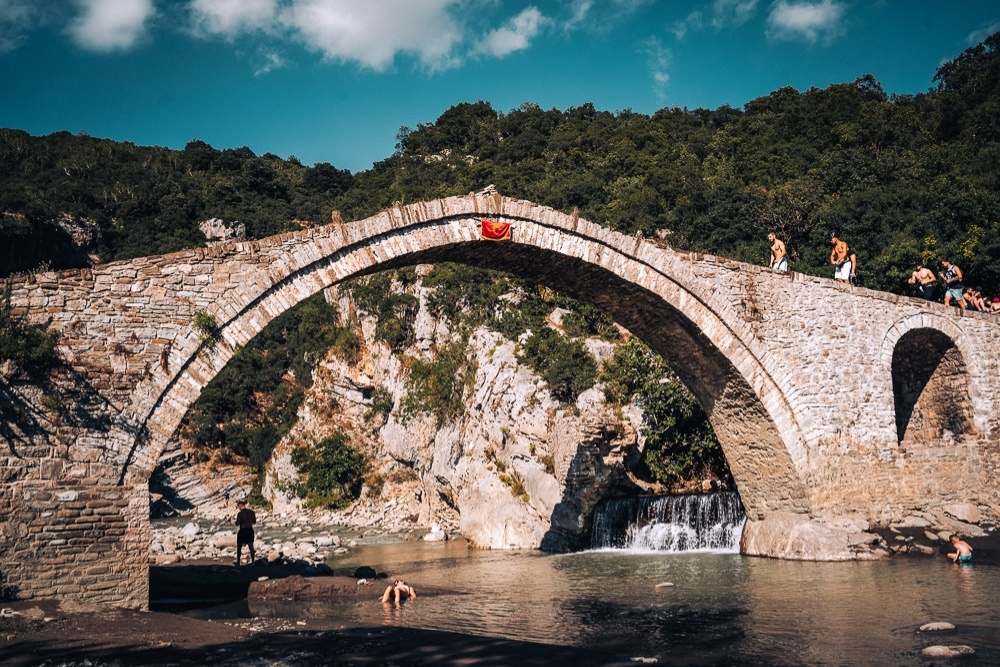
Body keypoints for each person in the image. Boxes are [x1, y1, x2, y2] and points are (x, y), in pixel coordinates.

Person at [235, 499, 256, 566]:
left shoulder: (240, 514)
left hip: (243, 531)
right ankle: (253, 562)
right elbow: (254, 522)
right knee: (251, 547)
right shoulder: (252, 512)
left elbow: (237, 524)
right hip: (250, 530)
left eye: (238, 507)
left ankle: (238, 562)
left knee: (239, 547)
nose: (238, 508)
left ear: (240, 506)